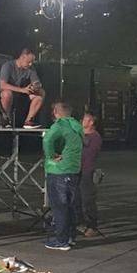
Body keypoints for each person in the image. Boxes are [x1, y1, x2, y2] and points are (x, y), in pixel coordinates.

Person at [43, 102, 83, 251]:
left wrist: (51, 155)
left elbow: (47, 140)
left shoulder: (59, 125)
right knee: (71, 206)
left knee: (60, 207)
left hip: (59, 170)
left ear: (55, 112)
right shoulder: (77, 126)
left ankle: (61, 240)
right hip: (74, 169)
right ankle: (71, 237)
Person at [0, 48, 45, 128]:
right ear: (22, 57)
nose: (30, 64)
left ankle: (28, 121)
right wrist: (22, 90)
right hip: (8, 93)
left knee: (40, 94)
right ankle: (5, 120)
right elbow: (3, 85)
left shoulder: (31, 68)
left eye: (32, 62)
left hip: (23, 94)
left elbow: (36, 82)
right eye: (29, 62)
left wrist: (35, 87)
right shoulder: (8, 66)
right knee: (7, 94)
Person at [76, 112, 102, 237]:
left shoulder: (95, 137)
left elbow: (88, 152)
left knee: (88, 199)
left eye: (85, 119)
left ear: (91, 122)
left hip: (87, 171)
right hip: (77, 170)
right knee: (76, 198)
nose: (82, 121)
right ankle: (79, 223)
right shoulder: (80, 135)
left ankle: (92, 225)